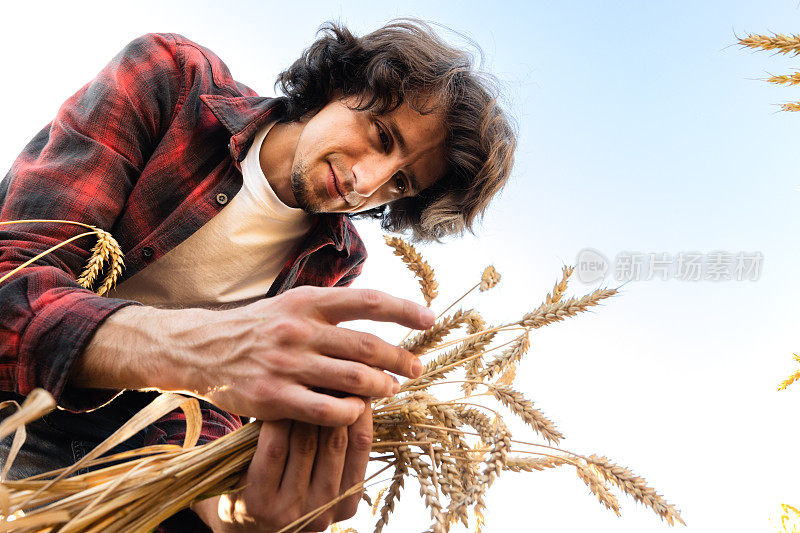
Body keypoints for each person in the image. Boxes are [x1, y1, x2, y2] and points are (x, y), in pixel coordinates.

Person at [0, 19, 516, 531]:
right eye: (381, 135)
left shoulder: (336, 256)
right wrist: (199, 352)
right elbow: (13, 279)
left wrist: (222, 506)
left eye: (400, 183)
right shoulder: (172, 79)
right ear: (340, 85)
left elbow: (226, 403)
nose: (367, 182)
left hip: (126, 451)